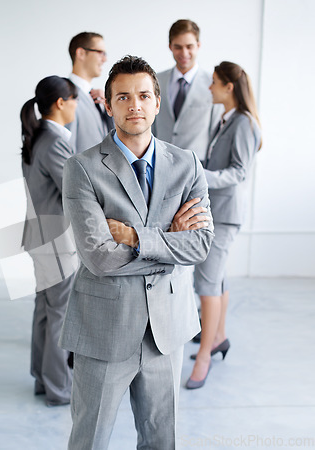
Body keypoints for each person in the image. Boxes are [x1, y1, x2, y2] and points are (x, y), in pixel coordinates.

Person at [59, 55, 214, 449]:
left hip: (167, 329)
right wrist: (168, 240)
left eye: (144, 95)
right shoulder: (82, 168)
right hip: (105, 327)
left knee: (162, 440)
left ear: (156, 102)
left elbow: (199, 244)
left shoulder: (187, 164)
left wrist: (135, 236)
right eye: (123, 97)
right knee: (90, 440)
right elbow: (98, 257)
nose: (135, 106)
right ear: (108, 106)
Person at [186, 62, 262, 390]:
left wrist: (201, 175)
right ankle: (218, 338)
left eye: (214, 83)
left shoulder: (243, 123)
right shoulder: (226, 119)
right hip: (215, 210)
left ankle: (204, 356)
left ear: (229, 87)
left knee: (205, 282)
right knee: (218, 277)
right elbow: (218, 164)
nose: (209, 87)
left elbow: (239, 172)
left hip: (225, 213)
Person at [20, 76, 79, 406]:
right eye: (74, 100)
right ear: (60, 103)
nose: (76, 106)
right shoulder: (55, 141)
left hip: (40, 236)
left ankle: (43, 380)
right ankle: (59, 390)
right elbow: (72, 189)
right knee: (59, 314)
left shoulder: (38, 135)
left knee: (45, 309)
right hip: (55, 241)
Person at [153, 19, 222, 161]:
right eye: (178, 47)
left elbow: (216, 132)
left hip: (197, 167)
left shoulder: (213, 84)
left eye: (189, 46)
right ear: (170, 47)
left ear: (198, 45)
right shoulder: (156, 80)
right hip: (160, 162)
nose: (184, 53)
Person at [67, 32, 113, 153]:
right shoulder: (65, 97)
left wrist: (110, 107)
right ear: (81, 53)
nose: (105, 59)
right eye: (100, 53)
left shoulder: (99, 98)